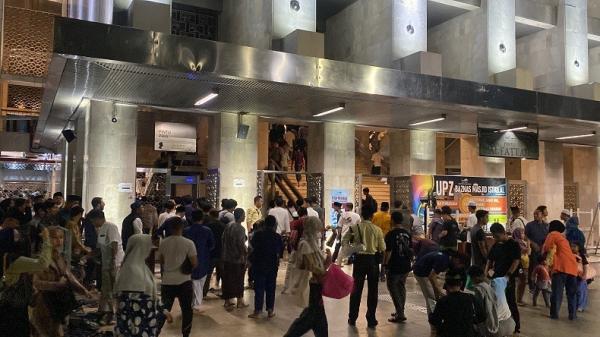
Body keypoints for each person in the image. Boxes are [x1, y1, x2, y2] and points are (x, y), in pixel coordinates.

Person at [30, 226, 91, 337]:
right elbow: (36, 283)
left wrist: (83, 290)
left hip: (56, 302)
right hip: (43, 304)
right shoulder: (39, 259)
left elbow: (68, 274)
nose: (59, 241)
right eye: (54, 238)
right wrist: (58, 285)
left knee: (56, 331)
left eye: (61, 237)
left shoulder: (58, 256)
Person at [114, 234, 172, 337]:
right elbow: (131, 306)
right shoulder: (132, 270)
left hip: (144, 322)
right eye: (148, 246)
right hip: (137, 326)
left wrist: (163, 310)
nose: (150, 249)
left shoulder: (141, 267)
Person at [284, 216, 332, 337]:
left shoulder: (313, 243)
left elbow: (319, 265)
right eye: (317, 229)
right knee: (310, 317)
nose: (319, 232)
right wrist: (324, 271)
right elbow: (311, 266)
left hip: (317, 284)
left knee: (315, 317)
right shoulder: (305, 244)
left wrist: (328, 260)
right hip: (312, 285)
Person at [0, 227, 52, 337]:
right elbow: (43, 264)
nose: (21, 238)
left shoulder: (5, 257)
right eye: (17, 236)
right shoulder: (13, 260)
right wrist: (47, 240)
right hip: (13, 307)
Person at [342, 205, 386, 329]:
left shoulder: (355, 228)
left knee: (356, 290)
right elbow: (382, 248)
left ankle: (352, 317)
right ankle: (371, 318)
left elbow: (344, 242)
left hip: (359, 261)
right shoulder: (377, 229)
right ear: (372, 217)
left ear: (361, 216)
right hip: (372, 261)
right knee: (373, 291)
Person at [158, 217, 197, 337]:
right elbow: (194, 263)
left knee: (164, 310)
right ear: (182, 227)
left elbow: (161, 261)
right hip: (184, 281)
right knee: (187, 310)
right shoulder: (188, 243)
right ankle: (186, 334)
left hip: (167, 281)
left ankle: (155, 332)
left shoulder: (163, 242)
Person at [89, 209, 124, 325]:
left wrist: (113, 261)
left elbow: (114, 243)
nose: (92, 223)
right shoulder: (100, 229)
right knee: (106, 289)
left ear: (98, 218)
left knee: (116, 290)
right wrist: (87, 257)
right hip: (106, 263)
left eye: (93, 221)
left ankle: (117, 314)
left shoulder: (111, 226)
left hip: (115, 263)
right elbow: (99, 248)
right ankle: (106, 312)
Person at [486, 223, 521, 333]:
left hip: (508, 279)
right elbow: (490, 259)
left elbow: (516, 261)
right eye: (494, 236)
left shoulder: (513, 245)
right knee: (497, 301)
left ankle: (515, 325)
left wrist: (508, 276)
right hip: (496, 278)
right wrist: (486, 272)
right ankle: (499, 322)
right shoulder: (496, 245)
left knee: (510, 301)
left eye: (497, 236)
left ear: (503, 233)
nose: (495, 238)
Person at [429, 269, 485, 337]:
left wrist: (431, 315)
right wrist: (469, 320)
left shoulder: (443, 301)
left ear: (446, 284)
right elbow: (482, 317)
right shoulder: (471, 298)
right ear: (461, 284)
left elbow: (435, 321)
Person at [248, 215, 283, 318]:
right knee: (271, 288)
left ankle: (257, 311)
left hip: (259, 264)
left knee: (259, 287)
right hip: (272, 265)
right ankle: (270, 310)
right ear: (274, 225)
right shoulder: (277, 237)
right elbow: (279, 252)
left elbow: (253, 246)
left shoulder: (258, 234)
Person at [543, 220, 579, 320]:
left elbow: (546, 247)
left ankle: (554, 315)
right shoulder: (564, 239)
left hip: (561, 268)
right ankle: (573, 315)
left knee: (557, 293)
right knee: (571, 294)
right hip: (572, 268)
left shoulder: (553, 234)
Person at [468, 266, 516, 337]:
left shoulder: (479, 289)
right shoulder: (499, 281)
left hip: (496, 329)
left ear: (475, 278)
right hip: (511, 324)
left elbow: (480, 314)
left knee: (470, 326)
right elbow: (507, 277)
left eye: (472, 279)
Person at [384, 211, 413, 323]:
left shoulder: (391, 234)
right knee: (401, 286)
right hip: (406, 264)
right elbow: (410, 249)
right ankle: (400, 310)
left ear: (392, 220)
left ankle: (400, 313)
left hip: (395, 264)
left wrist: (385, 265)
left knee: (392, 287)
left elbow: (389, 251)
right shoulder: (407, 233)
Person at [184, 210, 215, 312]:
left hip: (188, 259)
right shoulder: (207, 230)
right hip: (203, 258)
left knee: (192, 281)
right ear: (202, 218)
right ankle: (197, 303)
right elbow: (212, 245)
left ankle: (192, 302)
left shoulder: (186, 230)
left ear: (192, 218)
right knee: (200, 282)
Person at [413, 248, 457, 319]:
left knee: (433, 296)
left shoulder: (444, 256)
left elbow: (433, 276)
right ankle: (433, 322)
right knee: (431, 298)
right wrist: (438, 291)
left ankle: (435, 318)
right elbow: (432, 277)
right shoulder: (443, 260)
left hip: (423, 271)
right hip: (421, 273)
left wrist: (437, 291)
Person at [221, 208, 249, 311]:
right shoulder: (240, 229)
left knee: (227, 279)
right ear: (240, 216)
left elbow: (223, 238)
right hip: (237, 258)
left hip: (226, 256)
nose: (244, 217)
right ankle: (240, 301)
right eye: (244, 215)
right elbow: (241, 244)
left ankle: (227, 301)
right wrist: (244, 254)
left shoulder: (229, 225)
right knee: (238, 279)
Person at [203, 209, 226, 297]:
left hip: (211, 253)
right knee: (223, 274)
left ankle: (204, 292)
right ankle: (225, 292)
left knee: (208, 274)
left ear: (211, 216)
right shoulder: (223, 225)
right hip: (221, 252)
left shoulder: (208, 226)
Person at [525, 209, 548, 289]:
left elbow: (548, 237)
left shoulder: (546, 225)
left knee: (543, 267)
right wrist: (532, 243)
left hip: (544, 250)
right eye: (534, 214)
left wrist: (544, 246)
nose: (535, 216)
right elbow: (526, 237)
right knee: (533, 267)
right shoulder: (529, 225)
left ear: (542, 215)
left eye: (537, 214)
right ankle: (532, 285)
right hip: (534, 250)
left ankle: (543, 284)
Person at [571, 243, 589, 312]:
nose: (572, 248)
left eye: (574, 246)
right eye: (571, 246)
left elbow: (585, 265)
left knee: (581, 291)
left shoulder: (581, 256)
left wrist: (584, 275)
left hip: (581, 276)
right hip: (574, 276)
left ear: (579, 248)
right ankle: (578, 305)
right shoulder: (572, 255)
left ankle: (581, 306)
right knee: (576, 291)